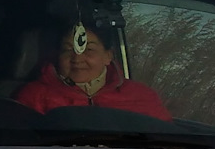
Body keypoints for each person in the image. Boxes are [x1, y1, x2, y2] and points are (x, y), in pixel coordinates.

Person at [15, 17, 170, 119]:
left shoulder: (141, 97)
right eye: (68, 49)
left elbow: (166, 146)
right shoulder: (34, 96)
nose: (77, 58)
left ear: (108, 56)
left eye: (89, 50)